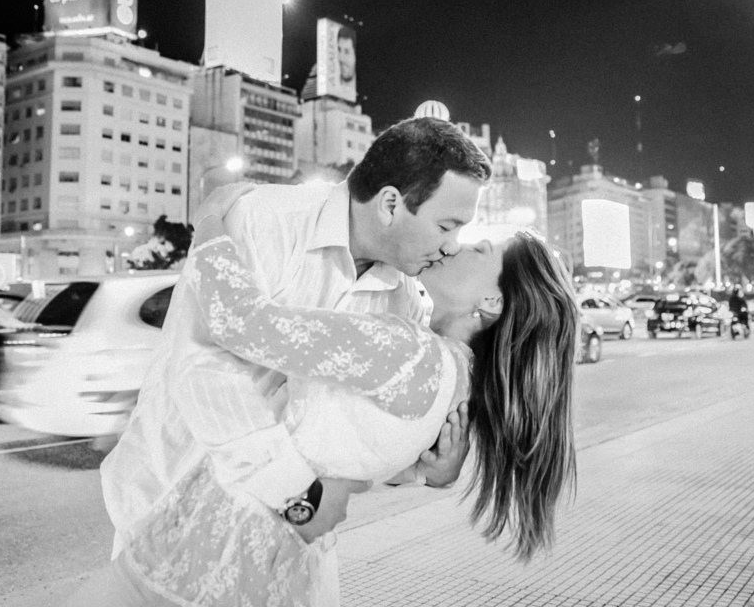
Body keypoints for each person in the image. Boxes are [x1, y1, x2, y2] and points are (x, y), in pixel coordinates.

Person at [70, 218, 579, 605]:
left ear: (491, 302)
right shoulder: (455, 379)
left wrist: (210, 228)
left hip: (209, 545)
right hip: (273, 565)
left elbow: (243, 324)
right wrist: (422, 473)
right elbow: (351, 444)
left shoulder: (412, 353)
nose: (454, 245)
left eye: (479, 249)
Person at [94, 117, 492, 605]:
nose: (453, 244)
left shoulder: (403, 298)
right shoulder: (266, 220)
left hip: (282, 543)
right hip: (171, 510)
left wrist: (419, 467)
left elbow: (354, 436)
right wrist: (298, 495)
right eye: (448, 225)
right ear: (391, 204)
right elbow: (202, 372)